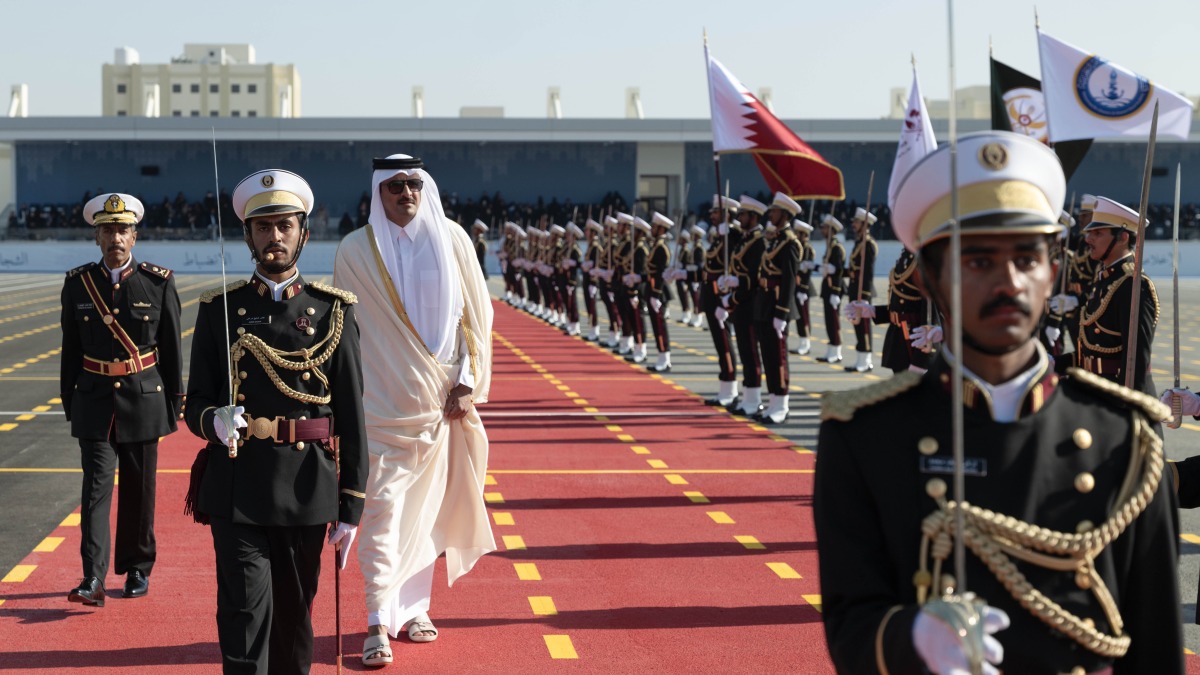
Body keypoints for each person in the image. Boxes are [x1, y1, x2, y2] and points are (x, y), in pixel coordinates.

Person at [814, 131, 1182, 675]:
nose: (1007, 281)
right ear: (932, 277)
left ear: (1051, 272)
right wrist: (911, 639)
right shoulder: (864, 436)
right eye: (977, 260)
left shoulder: (1124, 440)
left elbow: (1156, 650)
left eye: (1026, 257)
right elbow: (851, 627)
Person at [185, 169, 368, 674]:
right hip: (238, 484)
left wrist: (352, 504)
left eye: (285, 226)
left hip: (306, 486)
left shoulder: (332, 313)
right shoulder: (220, 310)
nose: (274, 237)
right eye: (263, 227)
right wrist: (213, 421)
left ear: (303, 233)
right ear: (248, 236)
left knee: (294, 619)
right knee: (243, 615)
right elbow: (194, 402)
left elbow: (351, 415)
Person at [333, 155, 495, 668]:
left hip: (440, 407)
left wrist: (468, 382)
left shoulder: (453, 240)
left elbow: (477, 318)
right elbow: (344, 334)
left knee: (426, 513)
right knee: (382, 510)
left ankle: (414, 610)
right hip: (379, 407)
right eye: (395, 185)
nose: (406, 193)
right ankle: (376, 619)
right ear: (378, 191)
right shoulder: (355, 249)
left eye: (413, 184)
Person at [61, 193, 183, 607]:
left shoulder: (158, 283)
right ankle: (92, 577)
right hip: (94, 401)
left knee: (139, 490)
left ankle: (137, 568)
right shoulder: (78, 284)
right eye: (108, 230)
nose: (115, 237)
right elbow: (70, 350)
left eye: (123, 230)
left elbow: (171, 350)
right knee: (94, 490)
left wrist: (173, 405)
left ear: (135, 236)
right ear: (96, 237)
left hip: (143, 399)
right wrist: (70, 401)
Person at [1058, 196, 1159, 397]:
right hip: (1097, 393)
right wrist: (1054, 363)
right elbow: (1093, 354)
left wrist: (1126, 408)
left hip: (1120, 398)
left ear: (1123, 238)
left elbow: (1136, 361)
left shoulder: (1133, 285)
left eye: (1098, 233)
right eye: (1090, 233)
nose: (1088, 239)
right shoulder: (1106, 279)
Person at [753, 193, 801, 424]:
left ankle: (781, 405)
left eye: (774, 211)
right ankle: (772, 401)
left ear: (785, 214)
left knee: (778, 357)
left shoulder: (790, 243)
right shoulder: (775, 240)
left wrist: (782, 312)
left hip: (776, 305)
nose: (770, 214)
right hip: (765, 302)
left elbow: (789, 280)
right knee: (768, 355)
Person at [720, 195, 767, 416]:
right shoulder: (745, 239)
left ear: (754, 217)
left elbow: (753, 278)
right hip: (741, 303)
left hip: (750, 303)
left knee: (750, 352)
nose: (739, 218)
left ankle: (754, 399)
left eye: (743, 215)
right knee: (745, 351)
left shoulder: (759, 242)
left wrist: (734, 293)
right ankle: (747, 397)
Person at [701, 197, 741, 406]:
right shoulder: (718, 238)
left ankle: (730, 388)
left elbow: (734, 259)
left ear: (727, 214)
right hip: (711, 293)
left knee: (724, 341)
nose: (712, 216)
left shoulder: (732, 236)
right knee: (719, 341)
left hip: (720, 296)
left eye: (716, 212)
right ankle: (725, 386)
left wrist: (729, 233)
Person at [843, 207, 879, 373]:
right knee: (857, 325)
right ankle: (860, 358)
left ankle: (865, 360)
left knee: (863, 325)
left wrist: (864, 295)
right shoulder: (859, 243)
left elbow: (868, 273)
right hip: (854, 289)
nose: (854, 224)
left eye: (857, 222)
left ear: (865, 224)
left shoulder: (868, 245)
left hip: (861, 291)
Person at [644, 212, 674, 372]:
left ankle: (665, 359)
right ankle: (661, 356)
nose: (652, 229)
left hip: (658, 291)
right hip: (652, 289)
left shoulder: (661, 248)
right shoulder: (656, 245)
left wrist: (656, 294)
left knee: (660, 326)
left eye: (654, 226)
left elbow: (660, 273)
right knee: (656, 326)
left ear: (661, 229)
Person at [816, 214, 847, 364]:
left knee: (833, 321)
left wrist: (835, 292)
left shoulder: (836, 248)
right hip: (827, 289)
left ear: (832, 230)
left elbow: (839, 271)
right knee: (829, 321)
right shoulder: (830, 246)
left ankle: (836, 352)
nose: (822, 230)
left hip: (833, 289)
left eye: (825, 228)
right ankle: (831, 350)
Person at [791, 219, 816, 356]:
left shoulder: (807, 249)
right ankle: (802, 342)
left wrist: (803, 289)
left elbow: (807, 272)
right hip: (797, 287)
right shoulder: (797, 247)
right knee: (799, 317)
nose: (796, 235)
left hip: (803, 288)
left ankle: (806, 343)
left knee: (804, 316)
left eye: (798, 233)